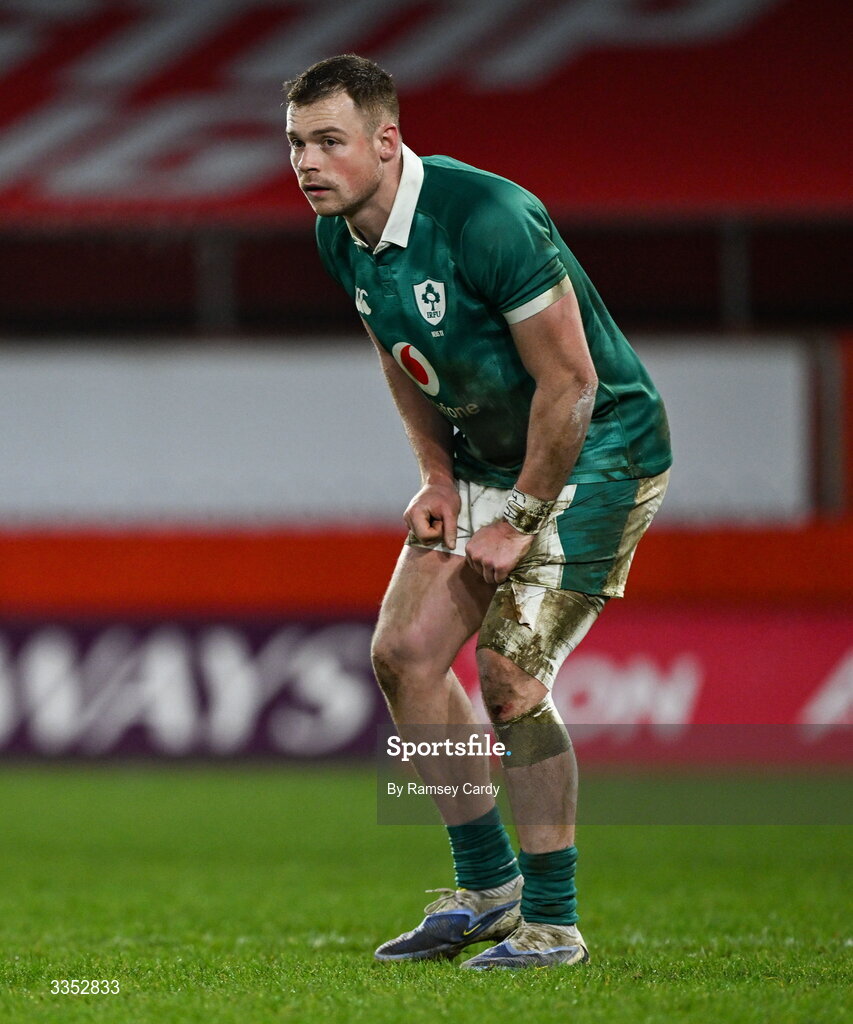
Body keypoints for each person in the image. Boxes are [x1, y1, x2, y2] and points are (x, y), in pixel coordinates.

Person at [284, 54, 671, 971]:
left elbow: (573, 385)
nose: (307, 162)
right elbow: (401, 352)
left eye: (329, 142)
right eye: (296, 143)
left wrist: (520, 515)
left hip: (598, 454)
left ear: (387, 141)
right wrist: (435, 476)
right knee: (404, 656)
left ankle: (553, 923)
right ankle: (486, 890)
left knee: (506, 674)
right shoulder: (339, 232)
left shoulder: (487, 216)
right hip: (484, 460)